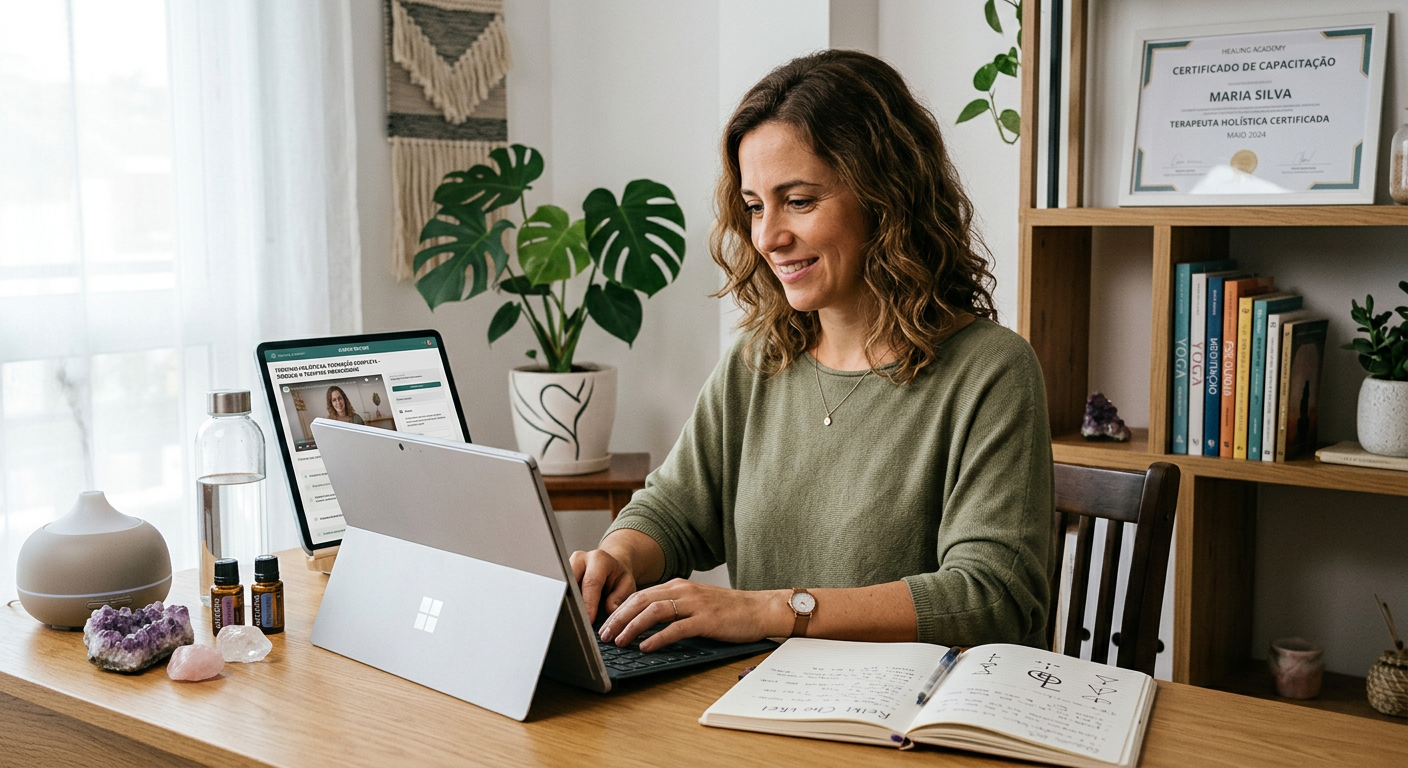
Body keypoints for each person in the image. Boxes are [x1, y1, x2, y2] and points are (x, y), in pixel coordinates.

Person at [571, 50, 1053, 654]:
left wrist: (768, 611)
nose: (769, 236)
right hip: (763, 703)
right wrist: (618, 556)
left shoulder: (990, 371)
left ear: (887, 197)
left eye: (798, 201)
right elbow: (674, 509)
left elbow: (990, 597)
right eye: (754, 206)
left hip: (908, 724)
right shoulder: (759, 361)